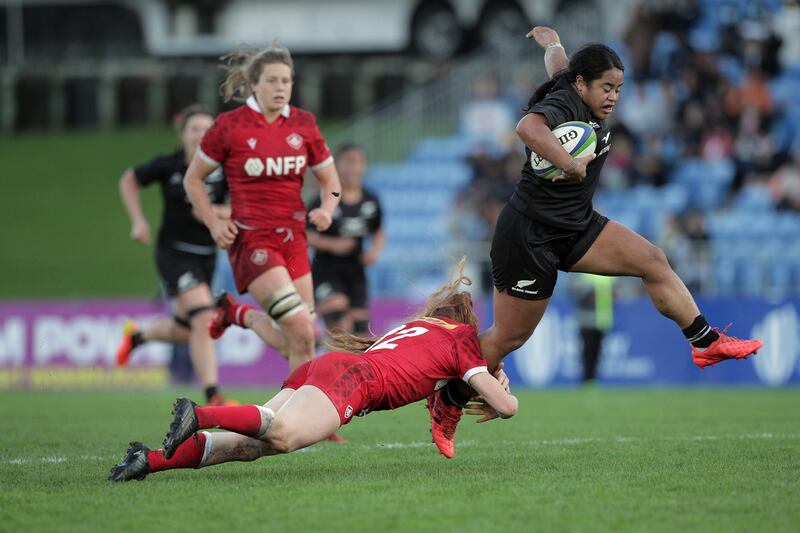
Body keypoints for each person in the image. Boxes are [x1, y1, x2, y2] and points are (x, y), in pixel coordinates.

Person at [427, 26, 763, 457]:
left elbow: (560, 68)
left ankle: (705, 342)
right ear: (583, 84)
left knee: (652, 259)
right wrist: (569, 164)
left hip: (576, 225)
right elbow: (527, 127)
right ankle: (447, 402)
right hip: (529, 234)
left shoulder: (573, 83)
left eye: (619, 89)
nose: (614, 96)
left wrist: (553, 45)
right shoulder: (565, 101)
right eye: (607, 87)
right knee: (509, 337)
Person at [108, 262, 517, 481]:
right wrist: (500, 383)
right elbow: (506, 407)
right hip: (353, 381)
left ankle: (150, 461)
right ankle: (198, 414)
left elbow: (424, 374)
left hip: (330, 368)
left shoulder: (423, 327)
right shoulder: (463, 341)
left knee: (253, 445)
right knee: (282, 436)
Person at [182, 42, 341, 373]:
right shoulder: (230, 126)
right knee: (300, 328)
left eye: (286, 80)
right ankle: (301, 421)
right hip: (253, 241)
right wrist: (212, 222)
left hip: (294, 241)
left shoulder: (304, 124)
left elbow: (332, 183)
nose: (281, 87)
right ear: (254, 84)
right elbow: (192, 180)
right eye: (272, 80)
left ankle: (239, 315)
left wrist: (327, 209)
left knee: (303, 340)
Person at [115, 104, 235, 406]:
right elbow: (128, 180)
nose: (200, 135)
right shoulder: (168, 165)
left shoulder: (224, 168)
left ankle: (137, 337)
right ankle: (213, 394)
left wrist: (217, 211)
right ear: (182, 134)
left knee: (186, 330)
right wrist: (138, 221)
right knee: (205, 316)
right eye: (194, 129)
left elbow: (243, 206)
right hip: (173, 253)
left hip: (207, 256)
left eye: (208, 129)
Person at [307, 143, 386, 337]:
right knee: (339, 323)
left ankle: (346, 365)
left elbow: (378, 231)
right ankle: (331, 364)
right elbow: (306, 234)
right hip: (327, 270)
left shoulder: (371, 200)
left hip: (356, 272)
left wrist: (374, 252)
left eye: (358, 162)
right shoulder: (325, 199)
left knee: (360, 333)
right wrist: (332, 245)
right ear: (337, 166)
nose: (353, 167)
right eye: (348, 162)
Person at [569, 273, 615, 384]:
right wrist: (591, 291)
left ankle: (593, 378)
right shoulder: (583, 273)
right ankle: (587, 378)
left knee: (597, 351)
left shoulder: (607, 274)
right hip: (587, 319)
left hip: (602, 319)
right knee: (587, 350)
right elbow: (575, 291)